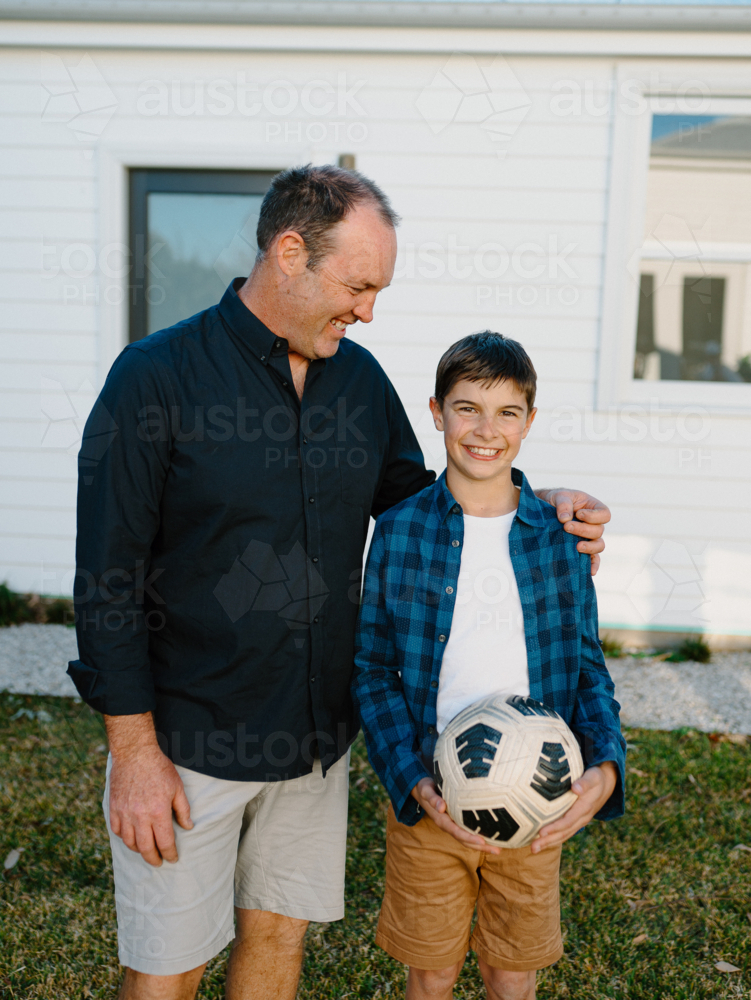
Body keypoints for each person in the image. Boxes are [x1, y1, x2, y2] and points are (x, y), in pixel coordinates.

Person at [68, 166, 611, 1000]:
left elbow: (423, 505)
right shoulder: (154, 379)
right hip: (188, 744)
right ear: (290, 253)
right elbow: (106, 579)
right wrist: (134, 755)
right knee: (170, 965)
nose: (367, 311)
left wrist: (537, 509)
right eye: (358, 286)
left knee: (277, 936)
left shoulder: (356, 384)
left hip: (314, 745)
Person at [353, 332, 625, 1000]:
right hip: (431, 801)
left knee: (511, 971)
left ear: (529, 422)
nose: (484, 430)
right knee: (432, 971)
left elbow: (586, 668)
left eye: (506, 412)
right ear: (435, 411)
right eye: (466, 408)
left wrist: (606, 765)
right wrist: (413, 781)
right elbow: (370, 669)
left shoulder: (558, 538)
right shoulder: (400, 530)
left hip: (538, 804)